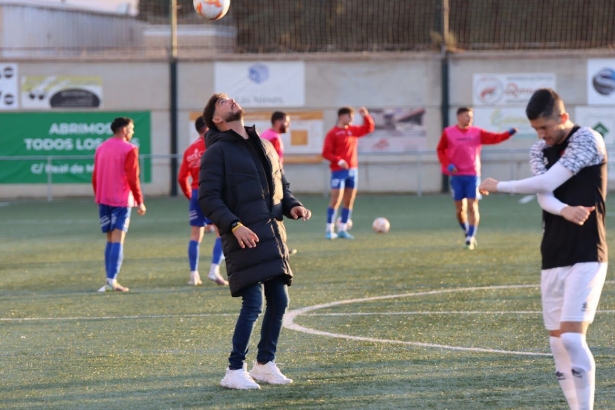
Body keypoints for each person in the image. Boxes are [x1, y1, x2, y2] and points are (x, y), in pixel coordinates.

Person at [479, 88, 607, 410]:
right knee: (557, 344)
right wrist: (564, 210)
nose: (541, 135)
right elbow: (544, 193)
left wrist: (499, 186)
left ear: (562, 118)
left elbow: (548, 182)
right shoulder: (539, 149)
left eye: (545, 128)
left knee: (573, 338)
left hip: (587, 251)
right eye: (536, 129)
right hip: (552, 254)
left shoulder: (587, 139)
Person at [198, 93, 312, 390]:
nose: (231, 100)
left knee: (280, 300)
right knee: (252, 303)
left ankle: (264, 365)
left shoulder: (265, 144)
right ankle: (234, 369)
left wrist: (292, 205)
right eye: (223, 101)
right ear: (217, 119)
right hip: (243, 237)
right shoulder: (216, 152)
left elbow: (280, 186)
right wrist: (234, 225)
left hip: (271, 235)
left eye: (229, 98)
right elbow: (209, 199)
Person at [436, 107, 517, 249]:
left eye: (471, 116)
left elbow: (495, 138)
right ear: (459, 117)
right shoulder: (448, 132)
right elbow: (440, 149)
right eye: (467, 116)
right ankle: (467, 230)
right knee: (460, 209)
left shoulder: (477, 132)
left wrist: (508, 133)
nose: (470, 119)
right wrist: (447, 164)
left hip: (472, 174)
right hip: (456, 176)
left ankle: (471, 237)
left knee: (473, 206)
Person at [92, 117, 146, 292]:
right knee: (118, 239)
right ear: (124, 130)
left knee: (109, 239)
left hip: (103, 199)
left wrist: (98, 195)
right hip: (121, 200)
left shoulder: (101, 148)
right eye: (131, 129)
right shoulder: (130, 149)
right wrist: (139, 201)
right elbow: (133, 177)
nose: (132, 132)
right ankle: (112, 279)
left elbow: (95, 177)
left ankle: (109, 278)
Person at [177, 117, 228, 286]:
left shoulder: (190, 150)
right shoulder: (214, 145)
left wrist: (190, 195)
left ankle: (194, 275)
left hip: (196, 194)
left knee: (195, 235)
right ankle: (214, 270)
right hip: (213, 192)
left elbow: (181, 177)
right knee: (222, 232)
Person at [321, 106, 375, 239]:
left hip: (353, 170)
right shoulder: (332, 133)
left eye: (353, 116)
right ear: (341, 117)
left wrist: (366, 116)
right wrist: (338, 161)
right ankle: (329, 229)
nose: (351, 119)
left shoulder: (353, 130)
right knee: (336, 199)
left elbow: (369, 128)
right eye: (349, 116)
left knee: (349, 200)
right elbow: (326, 153)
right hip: (338, 171)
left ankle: (342, 229)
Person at [260, 111, 297, 255]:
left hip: (267, 180)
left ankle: (278, 246)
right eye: (286, 121)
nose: (288, 124)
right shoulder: (273, 138)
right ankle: (277, 247)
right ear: (278, 122)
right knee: (275, 213)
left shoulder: (268, 135)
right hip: (271, 181)